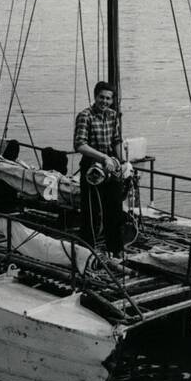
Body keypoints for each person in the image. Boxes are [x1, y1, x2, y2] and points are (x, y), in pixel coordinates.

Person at [73, 81, 126, 256]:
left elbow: (117, 140)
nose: (104, 101)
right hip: (92, 168)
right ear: (95, 97)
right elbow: (80, 145)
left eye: (108, 98)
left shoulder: (112, 115)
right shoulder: (85, 116)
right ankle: (87, 252)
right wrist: (103, 157)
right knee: (91, 212)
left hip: (111, 168)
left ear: (112, 100)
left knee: (115, 210)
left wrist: (123, 162)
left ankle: (116, 250)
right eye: (101, 97)